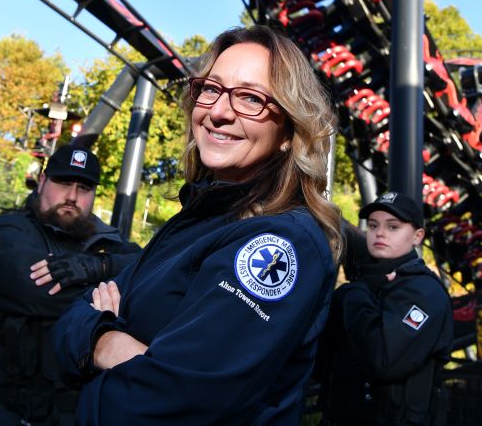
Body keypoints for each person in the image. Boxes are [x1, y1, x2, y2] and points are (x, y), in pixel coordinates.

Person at [51, 25, 343, 424]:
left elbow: (168, 405)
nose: (219, 112)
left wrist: (97, 343)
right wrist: (107, 339)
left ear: (288, 133)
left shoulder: (280, 242)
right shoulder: (199, 218)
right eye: (211, 89)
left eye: (251, 98)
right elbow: (69, 323)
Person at [0, 145, 142, 426]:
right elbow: (39, 291)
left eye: (83, 187)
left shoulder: (109, 243)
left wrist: (100, 266)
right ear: (42, 182)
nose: (71, 196)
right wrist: (115, 293)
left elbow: (150, 270)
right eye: (63, 183)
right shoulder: (5, 233)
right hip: (3, 412)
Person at [316, 191, 453, 425]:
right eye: (373, 225)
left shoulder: (424, 291)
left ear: (418, 236)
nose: (379, 232)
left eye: (393, 227)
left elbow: (383, 358)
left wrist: (353, 293)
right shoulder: (371, 283)